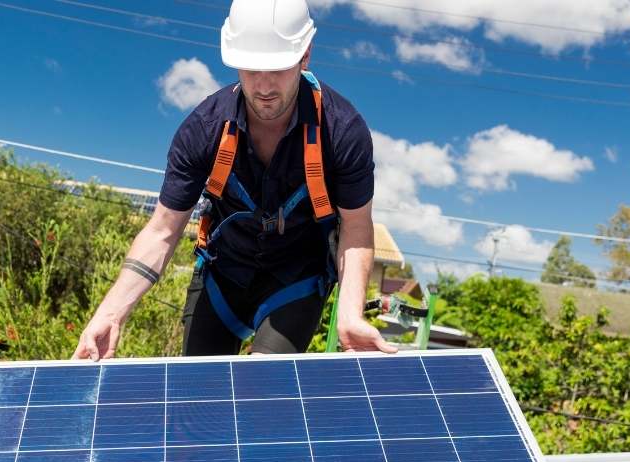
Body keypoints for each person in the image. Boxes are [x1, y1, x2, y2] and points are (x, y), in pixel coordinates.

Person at [72, 0, 396, 359]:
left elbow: (356, 227)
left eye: (278, 68)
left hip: (295, 280)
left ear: (305, 55)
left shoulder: (342, 131)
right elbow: (162, 231)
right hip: (222, 276)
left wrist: (350, 315)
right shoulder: (204, 129)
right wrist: (111, 312)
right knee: (200, 396)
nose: (263, 85)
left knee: (261, 389)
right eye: (251, 68)